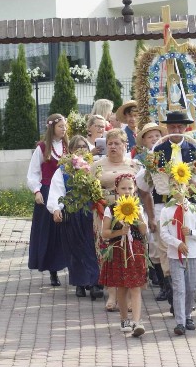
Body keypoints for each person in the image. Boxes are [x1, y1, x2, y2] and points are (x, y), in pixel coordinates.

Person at [136, 111, 196, 314]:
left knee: (189, 247)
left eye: (180, 127)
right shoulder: (158, 150)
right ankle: (173, 293)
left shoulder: (195, 149)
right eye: (172, 127)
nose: (176, 130)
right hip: (164, 206)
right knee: (165, 250)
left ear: (186, 128)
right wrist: (149, 173)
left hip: (189, 204)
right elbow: (142, 183)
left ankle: (186, 296)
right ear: (167, 128)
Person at [91, 129, 153, 312]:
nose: (113, 147)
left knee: (133, 253)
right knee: (108, 253)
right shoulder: (97, 166)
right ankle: (112, 293)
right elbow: (89, 189)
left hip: (132, 214)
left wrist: (151, 216)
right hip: (105, 214)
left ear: (126, 145)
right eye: (110, 143)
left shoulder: (135, 165)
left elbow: (144, 192)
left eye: (117, 143)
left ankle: (133, 295)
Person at [47, 135, 103, 300]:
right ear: (70, 150)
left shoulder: (94, 167)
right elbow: (57, 191)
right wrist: (56, 209)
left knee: (92, 248)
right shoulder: (64, 170)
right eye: (77, 147)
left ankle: (94, 283)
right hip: (72, 212)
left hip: (91, 212)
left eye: (84, 146)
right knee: (75, 248)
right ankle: (79, 283)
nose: (81, 150)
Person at [99, 173, 148, 337]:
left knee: (135, 285)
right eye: (123, 188)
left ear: (134, 190)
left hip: (135, 249)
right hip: (118, 249)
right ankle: (124, 318)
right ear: (116, 190)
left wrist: (137, 215)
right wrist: (120, 231)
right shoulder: (111, 209)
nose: (127, 191)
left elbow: (143, 231)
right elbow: (105, 232)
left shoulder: (138, 207)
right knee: (121, 286)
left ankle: (136, 321)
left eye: (130, 188)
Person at [26, 113, 69, 287]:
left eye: (65, 126)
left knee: (66, 230)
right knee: (50, 232)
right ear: (52, 128)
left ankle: (70, 265)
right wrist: (37, 191)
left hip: (65, 192)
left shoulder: (68, 146)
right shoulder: (42, 148)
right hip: (47, 190)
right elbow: (33, 172)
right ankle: (53, 270)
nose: (64, 129)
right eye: (60, 126)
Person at [159, 190, 196, 335]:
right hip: (174, 254)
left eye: (182, 186)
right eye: (175, 186)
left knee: (191, 287)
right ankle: (180, 322)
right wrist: (177, 243)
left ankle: (188, 315)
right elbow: (164, 232)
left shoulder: (195, 208)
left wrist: (190, 233)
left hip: (192, 253)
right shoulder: (166, 210)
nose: (179, 190)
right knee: (179, 288)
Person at [134, 122, 166, 287]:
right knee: (153, 245)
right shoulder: (141, 160)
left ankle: (166, 282)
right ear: (144, 141)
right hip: (148, 206)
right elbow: (143, 190)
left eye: (157, 136)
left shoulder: (167, 154)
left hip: (165, 203)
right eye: (150, 137)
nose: (154, 139)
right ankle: (160, 281)